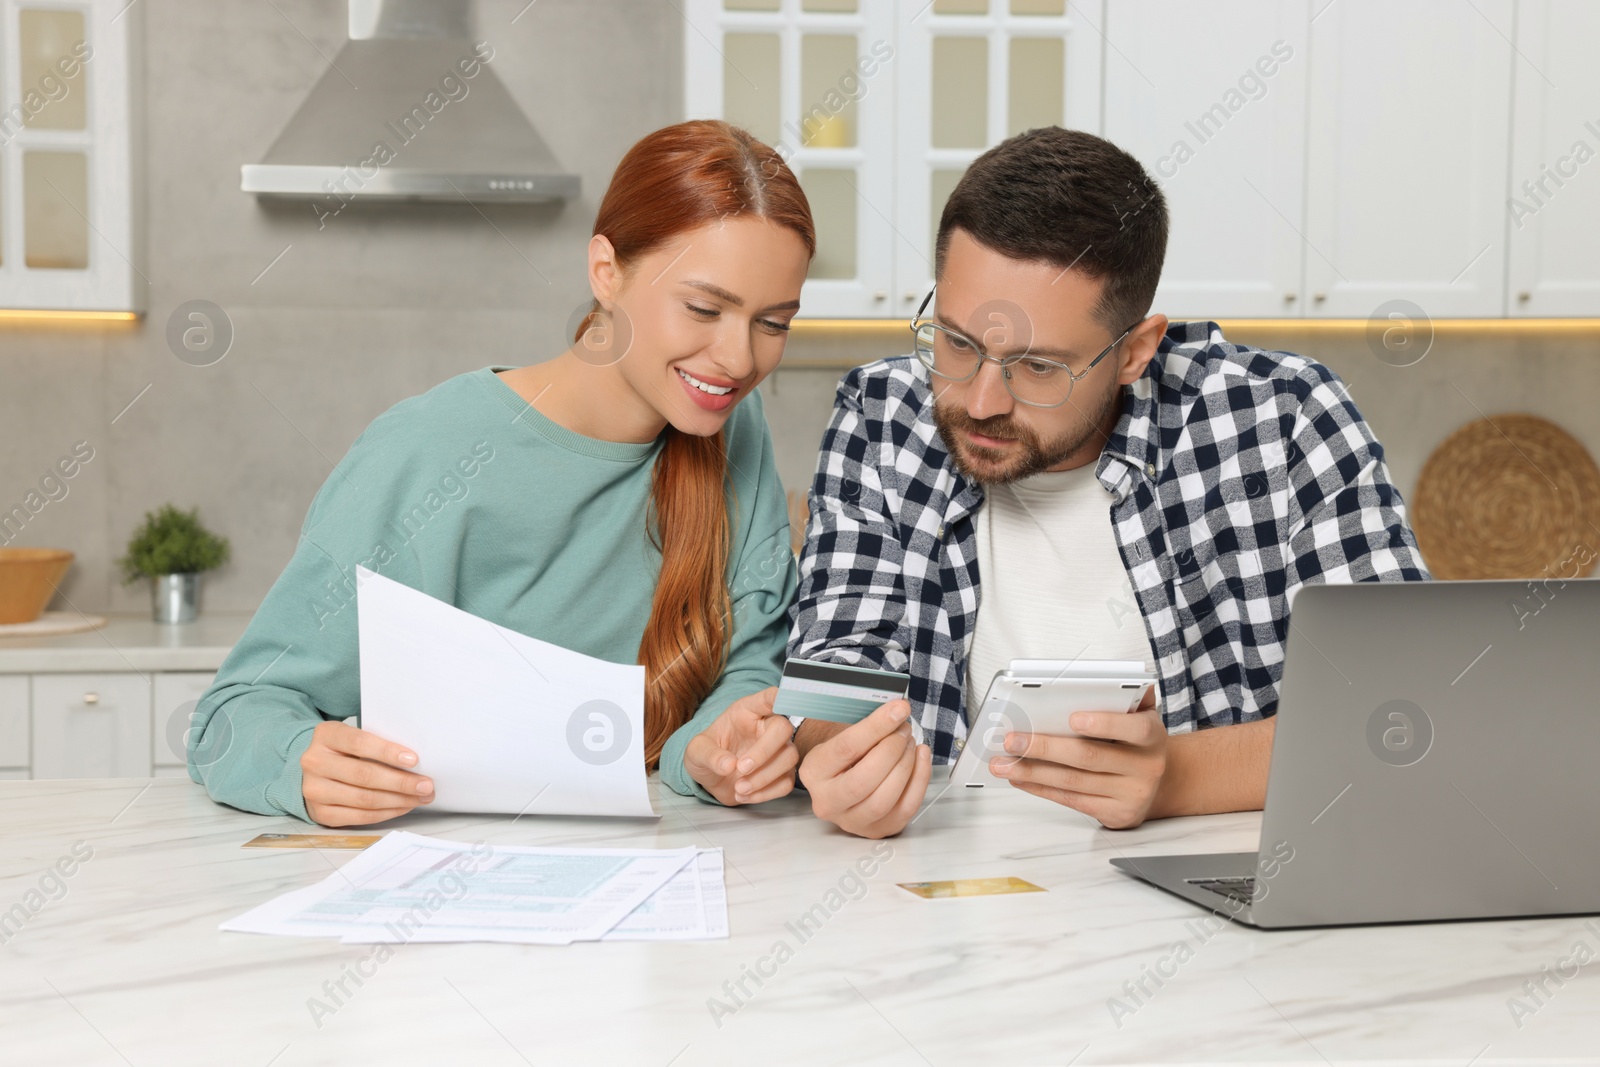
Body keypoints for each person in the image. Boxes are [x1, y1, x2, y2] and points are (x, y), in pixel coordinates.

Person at [786, 127, 1431, 839]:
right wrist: (837, 757)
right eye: (957, 343)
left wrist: (1175, 777)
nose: (980, 402)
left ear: (1135, 351)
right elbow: (837, 667)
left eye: (1039, 368)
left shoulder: (1284, 420)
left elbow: (1400, 707)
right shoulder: (882, 415)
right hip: (947, 891)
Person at [189, 120, 813, 826]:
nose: (737, 358)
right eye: (705, 308)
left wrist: (715, 747)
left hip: (652, 875)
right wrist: (298, 762)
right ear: (606, 271)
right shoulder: (427, 452)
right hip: (450, 890)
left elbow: (749, 662)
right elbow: (233, 717)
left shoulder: (734, 429)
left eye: (774, 322)